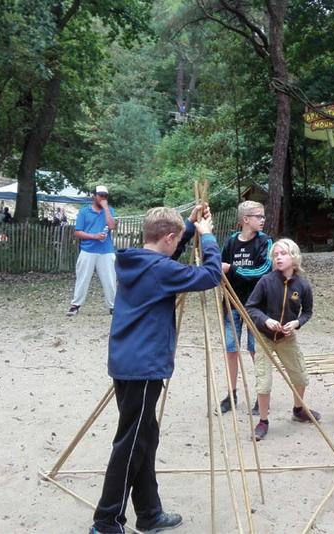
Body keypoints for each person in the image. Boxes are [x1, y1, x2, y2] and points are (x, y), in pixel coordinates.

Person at [90, 204, 220, 534]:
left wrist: (189, 228)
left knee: (145, 437)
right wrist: (207, 237)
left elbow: (167, 262)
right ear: (169, 238)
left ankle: (148, 513)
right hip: (144, 368)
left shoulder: (138, 261)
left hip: (127, 363)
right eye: (177, 241)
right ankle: (106, 521)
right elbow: (211, 275)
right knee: (131, 444)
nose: (177, 247)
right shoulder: (160, 270)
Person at [244, 238, 319, 441]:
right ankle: (263, 421)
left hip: (287, 338)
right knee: (264, 382)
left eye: (283, 254)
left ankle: (298, 410)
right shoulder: (266, 281)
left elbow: (308, 312)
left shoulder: (302, 284)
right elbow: (251, 307)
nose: (278, 258)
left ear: (293, 257)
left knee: (300, 377)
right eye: (275, 255)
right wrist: (266, 320)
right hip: (264, 337)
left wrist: (296, 323)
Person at [217, 201, 273, 415]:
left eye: (263, 216)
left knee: (255, 350)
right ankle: (231, 394)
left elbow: (263, 271)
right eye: (258, 216)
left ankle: (261, 396)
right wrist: (221, 270)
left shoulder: (265, 241)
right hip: (231, 303)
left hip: (256, 306)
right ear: (245, 220)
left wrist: (233, 269)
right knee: (231, 349)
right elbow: (220, 265)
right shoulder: (231, 242)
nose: (262, 220)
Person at [68, 186, 117, 317]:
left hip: (106, 250)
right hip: (88, 249)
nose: (103, 198)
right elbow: (78, 232)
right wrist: (94, 236)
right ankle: (75, 305)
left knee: (110, 279)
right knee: (82, 277)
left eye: (105, 196)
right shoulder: (84, 212)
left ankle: (113, 306)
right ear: (94, 196)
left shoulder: (110, 210)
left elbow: (112, 226)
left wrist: (106, 208)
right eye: (100, 195)